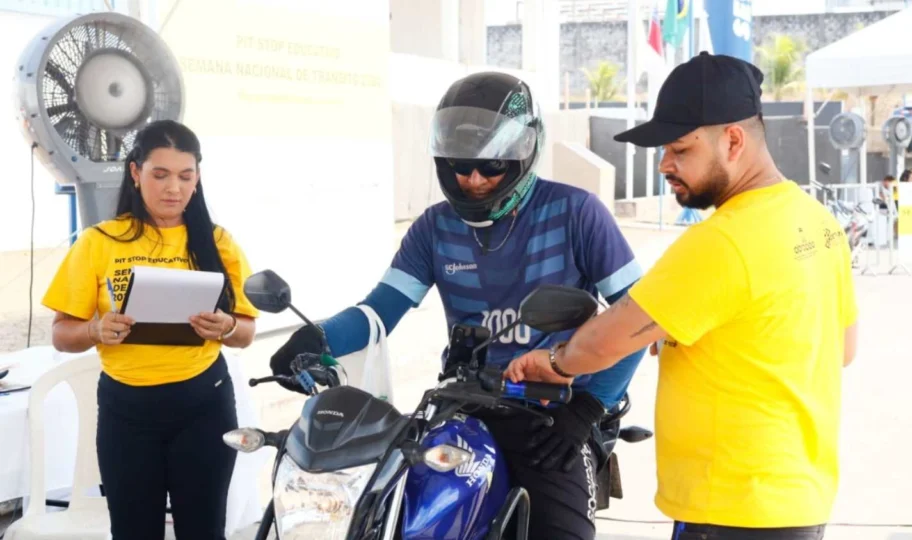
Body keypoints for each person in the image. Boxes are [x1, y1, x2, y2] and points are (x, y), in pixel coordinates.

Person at [269, 71, 646, 540]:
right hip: (465, 402)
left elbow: (641, 318)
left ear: (524, 156)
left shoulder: (576, 213)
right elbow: (380, 310)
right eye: (460, 166)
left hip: (555, 414)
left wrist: (588, 408)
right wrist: (317, 338)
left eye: (491, 168)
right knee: (400, 517)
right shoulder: (434, 228)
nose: (473, 180)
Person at [505, 52, 859, 540]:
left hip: (730, 508)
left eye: (680, 149)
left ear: (733, 140)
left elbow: (608, 341)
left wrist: (555, 362)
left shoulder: (724, 240)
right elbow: (842, 349)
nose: (665, 165)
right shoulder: (818, 223)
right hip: (798, 501)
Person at [42, 120, 259, 540]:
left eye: (185, 175)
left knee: (204, 530)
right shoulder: (98, 242)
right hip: (128, 416)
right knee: (134, 531)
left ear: (197, 178)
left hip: (204, 406)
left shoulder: (218, 243)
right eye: (160, 175)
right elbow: (60, 335)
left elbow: (247, 333)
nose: (173, 188)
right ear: (136, 173)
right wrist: (94, 330)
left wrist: (227, 325)